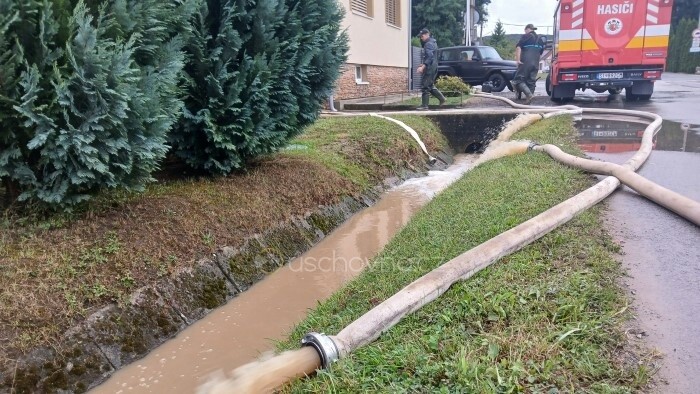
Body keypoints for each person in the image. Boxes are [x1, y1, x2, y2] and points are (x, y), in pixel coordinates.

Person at [512, 23, 543, 105]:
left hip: (525, 62)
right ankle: (530, 100)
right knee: (531, 81)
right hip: (535, 63)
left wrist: (518, 60)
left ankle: (529, 95)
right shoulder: (540, 39)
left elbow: (518, 47)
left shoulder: (525, 36)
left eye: (525, 30)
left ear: (527, 29)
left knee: (518, 80)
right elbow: (541, 53)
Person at [416, 28, 446, 110]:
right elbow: (433, 57)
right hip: (433, 67)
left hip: (430, 68)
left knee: (425, 86)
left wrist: (423, 66)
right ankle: (442, 99)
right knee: (429, 85)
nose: (421, 38)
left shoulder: (428, 44)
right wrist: (424, 64)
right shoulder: (433, 43)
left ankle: (424, 105)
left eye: (422, 36)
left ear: (426, 35)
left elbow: (430, 56)